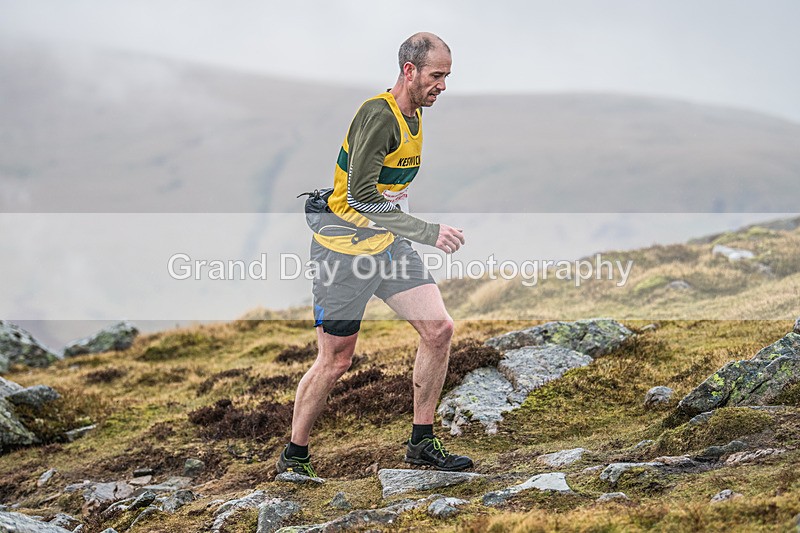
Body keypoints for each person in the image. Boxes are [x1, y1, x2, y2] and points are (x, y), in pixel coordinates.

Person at [277, 32, 472, 477]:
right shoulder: (377, 114)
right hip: (342, 251)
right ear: (410, 70)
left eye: (446, 77)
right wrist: (427, 231)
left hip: (386, 246)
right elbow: (363, 196)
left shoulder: (415, 115)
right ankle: (294, 458)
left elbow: (389, 193)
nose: (442, 85)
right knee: (336, 360)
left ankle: (422, 444)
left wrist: (406, 229)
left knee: (439, 329)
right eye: (436, 76)